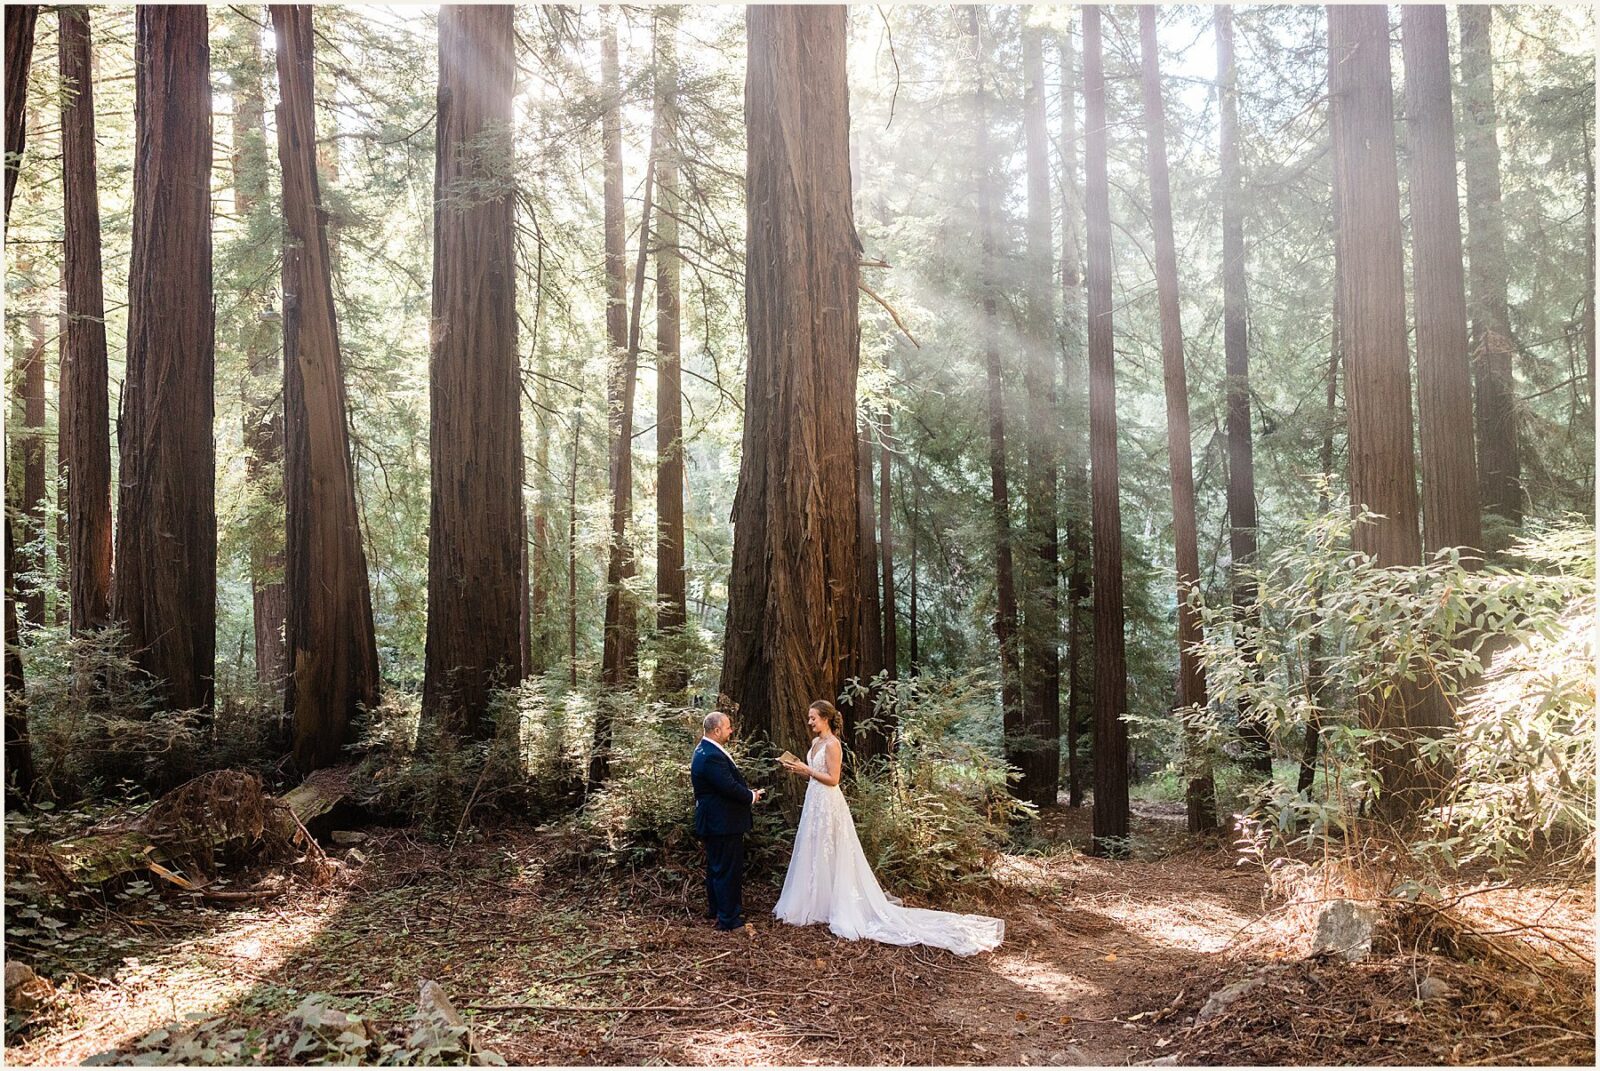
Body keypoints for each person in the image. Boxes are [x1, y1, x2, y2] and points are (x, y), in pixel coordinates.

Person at [773, 699, 1004, 956]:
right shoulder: (816, 743)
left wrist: (808, 770)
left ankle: (838, 904)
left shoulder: (832, 744)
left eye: (813, 717)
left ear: (825, 719)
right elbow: (816, 773)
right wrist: (799, 770)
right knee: (815, 847)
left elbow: (834, 779)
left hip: (828, 802)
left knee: (833, 849)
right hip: (814, 800)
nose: (810, 722)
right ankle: (815, 902)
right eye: (809, 718)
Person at [691, 711, 764, 932]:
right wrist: (751, 796)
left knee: (717, 868)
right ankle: (729, 920)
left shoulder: (704, 749)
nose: (731, 730)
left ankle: (717, 910)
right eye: (728, 727)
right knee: (726, 870)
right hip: (722, 822)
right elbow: (728, 786)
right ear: (717, 730)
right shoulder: (711, 755)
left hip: (717, 820)